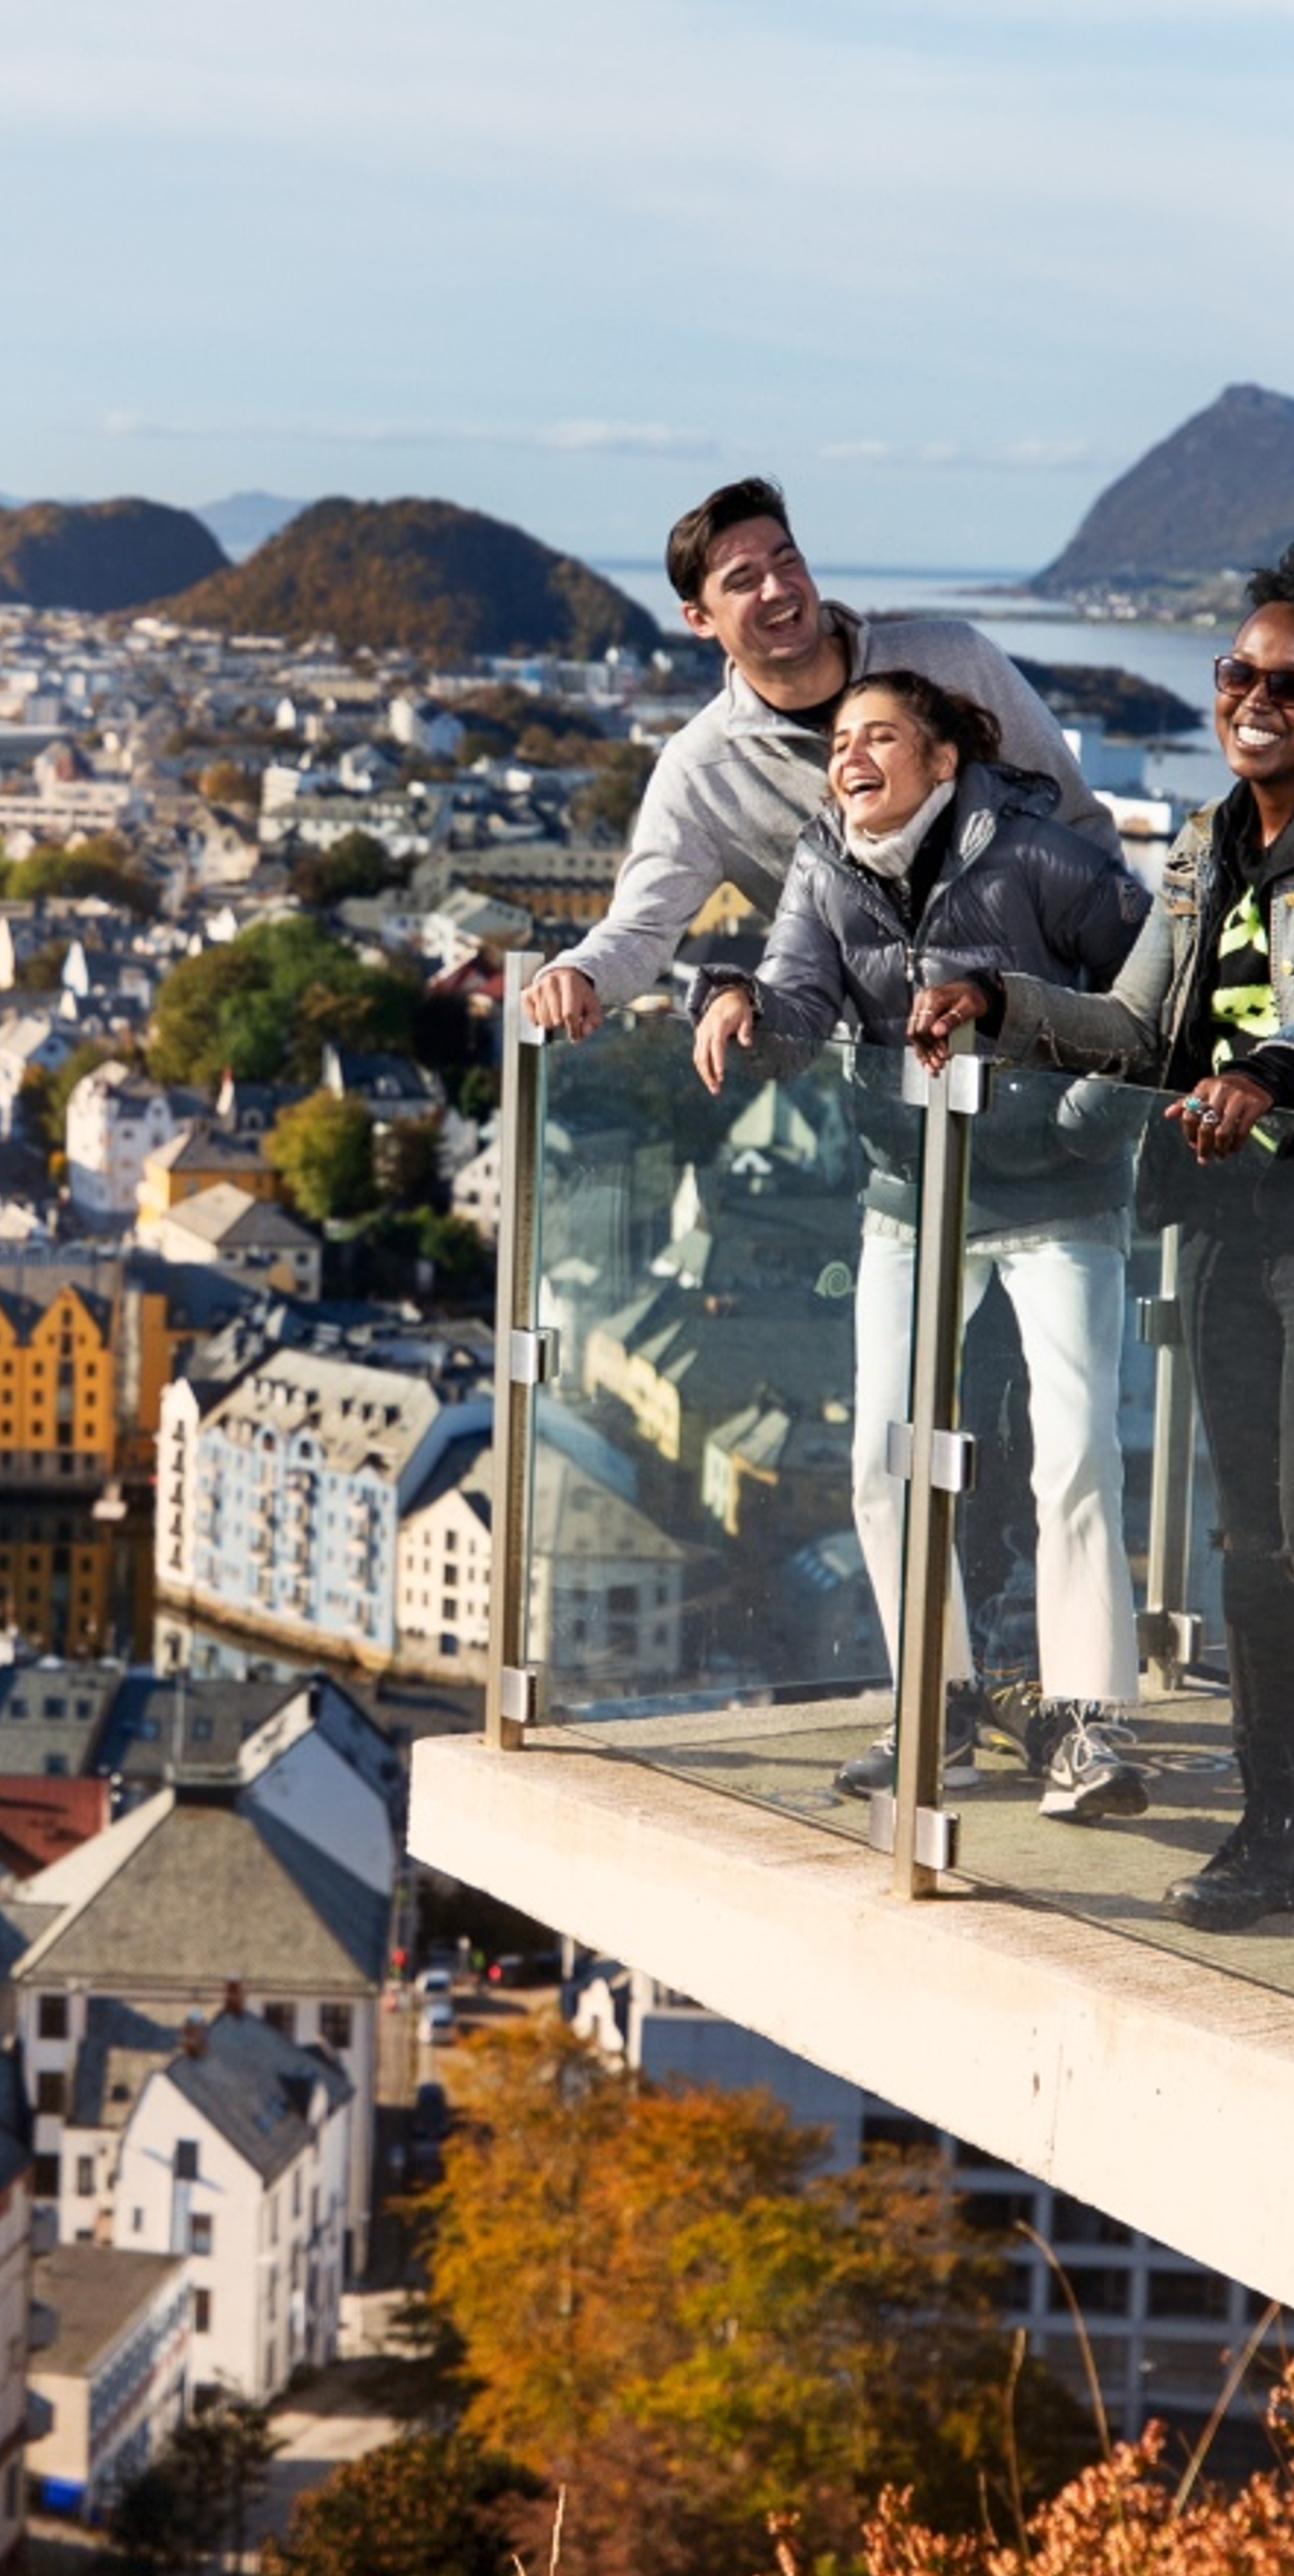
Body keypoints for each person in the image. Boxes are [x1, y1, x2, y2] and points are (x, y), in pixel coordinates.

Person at [910, 551, 1294, 1927]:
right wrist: (991, 998)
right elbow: (1135, 1031)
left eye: (1284, 683)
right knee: (1253, 1541)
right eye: (1235, 673)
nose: (1253, 699)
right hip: (1235, 1238)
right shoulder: (1199, 848)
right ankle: (1270, 1826)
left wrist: (1268, 1078)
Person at [693, 670, 1153, 1819]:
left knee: (1078, 1451)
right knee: (886, 1456)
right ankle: (935, 1709)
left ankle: (1090, 1723)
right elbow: (801, 1004)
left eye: (879, 737)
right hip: (916, 1186)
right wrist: (737, 998)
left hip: (1059, 1190)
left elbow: (1156, 997)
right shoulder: (826, 862)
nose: (849, 757)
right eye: (839, 740)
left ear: (943, 760)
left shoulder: (1044, 856)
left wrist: (1082, 1118)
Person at [522, 477, 1118, 1045]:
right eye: (743, 580)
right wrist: (580, 973)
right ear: (698, 620)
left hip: (1055, 1064)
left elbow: (1083, 831)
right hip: (895, 1096)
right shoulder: (701, 770)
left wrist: (1109, 1027)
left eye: (788, 562)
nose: (778, 590)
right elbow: (644, 926)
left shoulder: (955, 660)